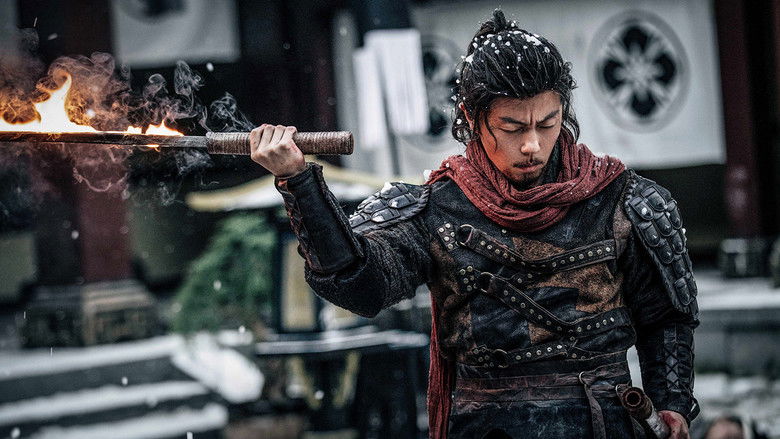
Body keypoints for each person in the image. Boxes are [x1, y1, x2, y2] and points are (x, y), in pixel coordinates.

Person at [250, 9, 698, 439]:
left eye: (547, 123)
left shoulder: (621, 200)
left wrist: (671, 401)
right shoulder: (435, 210)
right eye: (512, 127)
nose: (532, 144)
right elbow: (359, 285)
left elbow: (665, 317)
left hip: (604, 422)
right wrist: (299, 182)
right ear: (471, 117)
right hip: (488, 427)